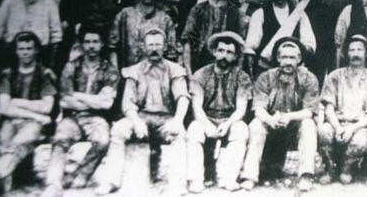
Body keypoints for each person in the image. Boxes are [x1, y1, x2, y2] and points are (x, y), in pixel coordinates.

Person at [96, 28, 189, 195]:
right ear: (143, 47)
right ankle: (111, 180)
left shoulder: (174, 69)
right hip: (140, 118)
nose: (154, 49)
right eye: (150, 45)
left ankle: (178, 183)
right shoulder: (134, 70)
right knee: (118, 130)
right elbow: (128, 103)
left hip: (165, 119)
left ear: (165, 46)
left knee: (179, 134)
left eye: (158, 45)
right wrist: (137, 122)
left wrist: (178, 120)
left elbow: (182, 97)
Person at [42, 27, 119, 197]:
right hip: (73, 118)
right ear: (82, 44)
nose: (91, 46)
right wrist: (93, 101)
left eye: (95, 42)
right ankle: (53, 184)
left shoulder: (110, 69)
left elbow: (106, 103)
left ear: (102, 44)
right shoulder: (71, 67)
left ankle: (80, 174)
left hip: (97, 118)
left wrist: (77, 96)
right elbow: (64, 100)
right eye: (87, 42)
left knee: (103, 140)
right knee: (61, 139)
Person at [240, 37, 319, 192]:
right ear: (277, 58)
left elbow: (309, 111)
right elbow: (258, 109)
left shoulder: (309, 78)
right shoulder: (265, 78)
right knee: (256, 124)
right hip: (272, 125)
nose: (288, 62)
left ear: (299, 59)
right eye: (284, 57)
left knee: (309, 125)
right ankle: (249, 176)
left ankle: (305, 176)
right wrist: (270, 120)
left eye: (292, 58)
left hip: (294, 126)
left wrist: (289, 116)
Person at [0, 31, 57, 195]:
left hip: (32, 124)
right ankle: (3, 188)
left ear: (36, 50)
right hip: (15, 119)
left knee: (18, 143)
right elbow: (3, 107)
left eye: (29, 48)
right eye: (21, 49)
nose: (25, 52)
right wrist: (36, 114)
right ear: (16, 51)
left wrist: (16, 102)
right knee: (4, 141)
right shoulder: (8, 74)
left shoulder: (44, 74)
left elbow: (47, 107)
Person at [187, 31, 253, 192]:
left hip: (229, 119)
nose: (224, 56)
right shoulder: (200, 74)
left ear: (236, 56)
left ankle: (228, 178)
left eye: (229, 52)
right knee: (194, 130)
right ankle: (196, 179)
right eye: (221, 51)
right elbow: (197, 106)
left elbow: (241, 109)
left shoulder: (242, 77)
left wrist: (228, 123)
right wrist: (206, 124)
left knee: (241, 130)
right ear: (214, 52)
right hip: (206, 117)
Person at [318, 35, 367, 185]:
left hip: (359, 125)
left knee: (360, 141)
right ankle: (330, 168)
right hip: (336, 122)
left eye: (360, 50)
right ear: (346, 54)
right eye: (352, 50)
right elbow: (328, 107)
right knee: (323, 131)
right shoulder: (335, 76)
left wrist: (352, 129)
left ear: (366, 53)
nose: (355, 54)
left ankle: (347, 167)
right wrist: (338, 127)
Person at [245, 0, 316, 77]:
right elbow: (251, 43)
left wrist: (299, 54)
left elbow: (309, 41)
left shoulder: (299, 15)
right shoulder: (260, 13)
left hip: (292, 67)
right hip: (266, 68)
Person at [180, 0, 245, 74]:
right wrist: (188, 69)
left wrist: (237, 67)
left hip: (226, 60)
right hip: (200, 60)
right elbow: (186, 40)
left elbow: (240, 42)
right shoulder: (198, 9)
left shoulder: (235, 12)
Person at [108, 0, 177, 68]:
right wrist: (115, 70)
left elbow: (171, 51)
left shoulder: (165, 19)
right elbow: (112, 48)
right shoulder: (125, 15)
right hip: (128, 73)